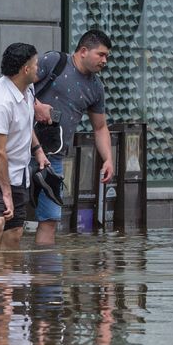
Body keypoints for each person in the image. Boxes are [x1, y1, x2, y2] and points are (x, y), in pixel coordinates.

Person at [31, 29, 115, 247]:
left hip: (55, 158)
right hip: (22, 148)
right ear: (84, 51)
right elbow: (17, 86)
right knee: (10, 216)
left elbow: (100, 127)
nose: (105, 61)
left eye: (107, 56)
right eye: (101, 54)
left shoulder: (96, 87)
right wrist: (36, 106)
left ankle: (46, 277)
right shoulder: (54, 61)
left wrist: (108, 159)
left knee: (50, 220)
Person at [0, 43, 49, 251]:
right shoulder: (0, 103)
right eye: (36, 64)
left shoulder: (27, 89)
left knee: (14, 232)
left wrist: (38, 150)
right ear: (25, 69)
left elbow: (24, 123)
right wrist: (6, 194)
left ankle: (9, 280)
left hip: (17, 169)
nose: (39, 68)